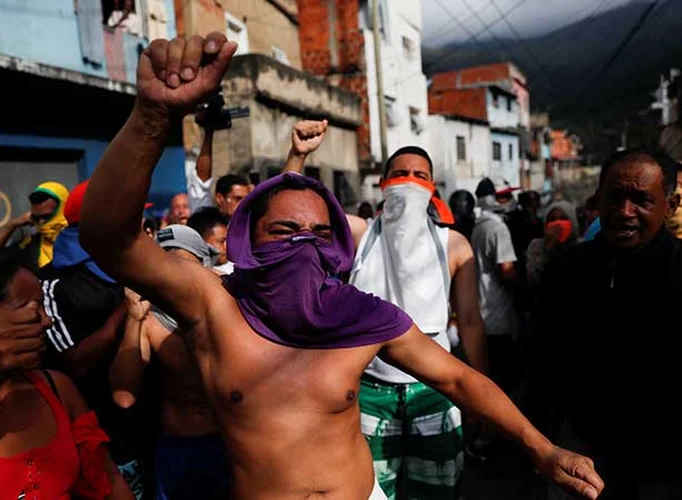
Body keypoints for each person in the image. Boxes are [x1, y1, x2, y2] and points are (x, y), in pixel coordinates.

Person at [79, 32, 603, 500]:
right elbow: (110, 236)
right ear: (247, 242)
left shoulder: (359, 314)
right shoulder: (212, 304)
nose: (302, 246)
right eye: (283, 232)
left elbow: (459, 381)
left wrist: (542, 447)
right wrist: (151, 117)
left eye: (319, 235)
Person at [527, 148, 681, 500]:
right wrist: (538, 445)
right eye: (615, 197)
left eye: (641, 200)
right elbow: (541, 363)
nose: (625, 212)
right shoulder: (567, 269)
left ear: (669, 206)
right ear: (597, 200)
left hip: (664, 465)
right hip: (582, 458)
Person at [0, 251, 133, 499]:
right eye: (30, 309)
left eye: (42, 306)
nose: (47, 321)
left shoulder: (56, 388)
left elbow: (108, 480)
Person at [347, 147, 487, 499]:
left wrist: (480, 396)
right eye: (399, 174)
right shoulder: (360, 236)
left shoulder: (453, 244)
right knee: (369, 492)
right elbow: (293, 201)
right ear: (381, 185)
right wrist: (297, 154)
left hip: (435, 392)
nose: (409, 182)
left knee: (439, 492)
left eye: (419, 176)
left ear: (432, 187)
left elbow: (469, 320)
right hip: (369, 393)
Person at [40, 181, 146, 497]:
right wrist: (124, 312)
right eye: (131, 214)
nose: (139, 223)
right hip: (105, 447)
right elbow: (75, 365)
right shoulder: (51, 285)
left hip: (153, 435)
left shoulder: (135, 269)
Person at [110, 224, 228, 500]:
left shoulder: (230, 308)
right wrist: (134, 319)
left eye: (184, 268)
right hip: (180, 450)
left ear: (205, 266)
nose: (176, 280)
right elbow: (123, 397)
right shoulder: (149, 320)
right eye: (167, 269)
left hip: (232, 445)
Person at [471, 178, 520, 394]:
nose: (510, 200)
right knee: (504, 385)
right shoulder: (498, 228)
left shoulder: (479, 226)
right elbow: (507, 272)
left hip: (483, 314)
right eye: (504, 196)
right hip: (498, 315)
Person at [0, 181, 70, 273]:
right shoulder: (30, 246)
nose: (41, 222)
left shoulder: (79, 240)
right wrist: (12, 225)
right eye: (36, 218)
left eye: (46, 217)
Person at [525, 201, 579, 287]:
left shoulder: (581, 245)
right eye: (552, 219)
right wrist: (549, 247)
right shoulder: (537, 246)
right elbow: (533, 279)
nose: (558, 223)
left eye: (563, 218)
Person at [188, 207, 234, 274]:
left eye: (228, 240)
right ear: (200, 241)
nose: (227, 246)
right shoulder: (187, 273)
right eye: (221, 241)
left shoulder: (236, 270)